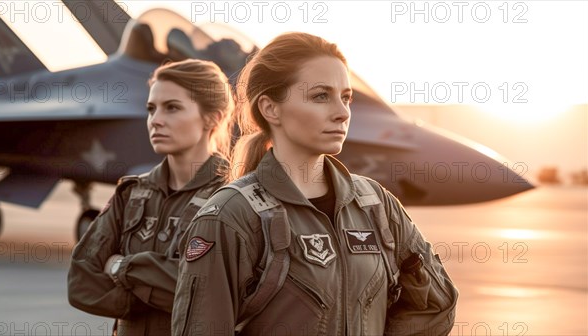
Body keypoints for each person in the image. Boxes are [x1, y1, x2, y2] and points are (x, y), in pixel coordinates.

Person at [172, 32, 458, 335]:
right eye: (321, 96)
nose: (342, 112)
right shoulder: (231, 216)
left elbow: (435, 305)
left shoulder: (376, 205)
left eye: (345, 97)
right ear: (270, 108)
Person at [68, 58, 234, 336]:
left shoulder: (232, 196)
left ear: (212, 118)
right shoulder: (131, 193)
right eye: (151, 109)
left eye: (172, 108)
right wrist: (161, 295)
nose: (156, 120)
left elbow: (215, 294)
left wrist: (122, 267)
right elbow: (80, 282)